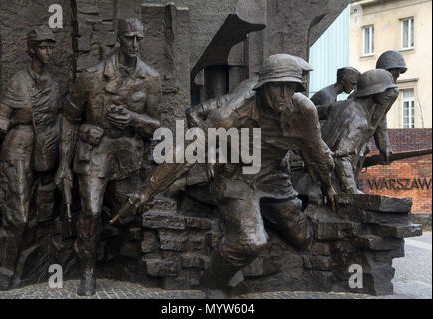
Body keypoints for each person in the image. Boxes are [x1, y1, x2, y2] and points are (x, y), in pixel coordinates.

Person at [116, 54, 336, 296]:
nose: (284, 95)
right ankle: (214, 281)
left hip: (274, 175)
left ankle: (258, 226)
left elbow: (315, 150)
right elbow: (188, 152)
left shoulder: (304, 110)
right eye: (278, 87)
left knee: (302, 237)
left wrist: (328, 186)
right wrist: (148, 191)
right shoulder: (232, 113)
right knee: (251, 241)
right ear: (263, 87)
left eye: (290, 88)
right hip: (237, 177)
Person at [55, 18, 161, 296]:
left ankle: (116, 259)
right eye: (129, 38)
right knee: (90, 210)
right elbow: (68, 118)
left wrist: (133, 119)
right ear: (119, 39)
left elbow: (156, 126)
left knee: (124, 216)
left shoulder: (150, 78)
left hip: (127, 156)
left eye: (139, 38)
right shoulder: (91, 76)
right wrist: (63, 166)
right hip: (94, 152)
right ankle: (88, 271)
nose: (135, 44)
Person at [0, 26, 60, 284]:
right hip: (16, 150)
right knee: (19, 215)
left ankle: (26, 269)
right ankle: (3, 270)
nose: (48, 51)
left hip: (44, 153)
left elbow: (57, 120)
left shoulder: (53, 84)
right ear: (31, 50)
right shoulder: (18, 81)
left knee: (40, 213)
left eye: (50, 46)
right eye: (42, 47)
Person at [321, 69, 399, 194]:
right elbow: (341, 159)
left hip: (314, 177)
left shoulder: (341, 105)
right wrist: (353, 190)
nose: (390, 94)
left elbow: (314, 112)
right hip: (328, 184)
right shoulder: (359, 120)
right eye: (386, 90)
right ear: (374, 91)